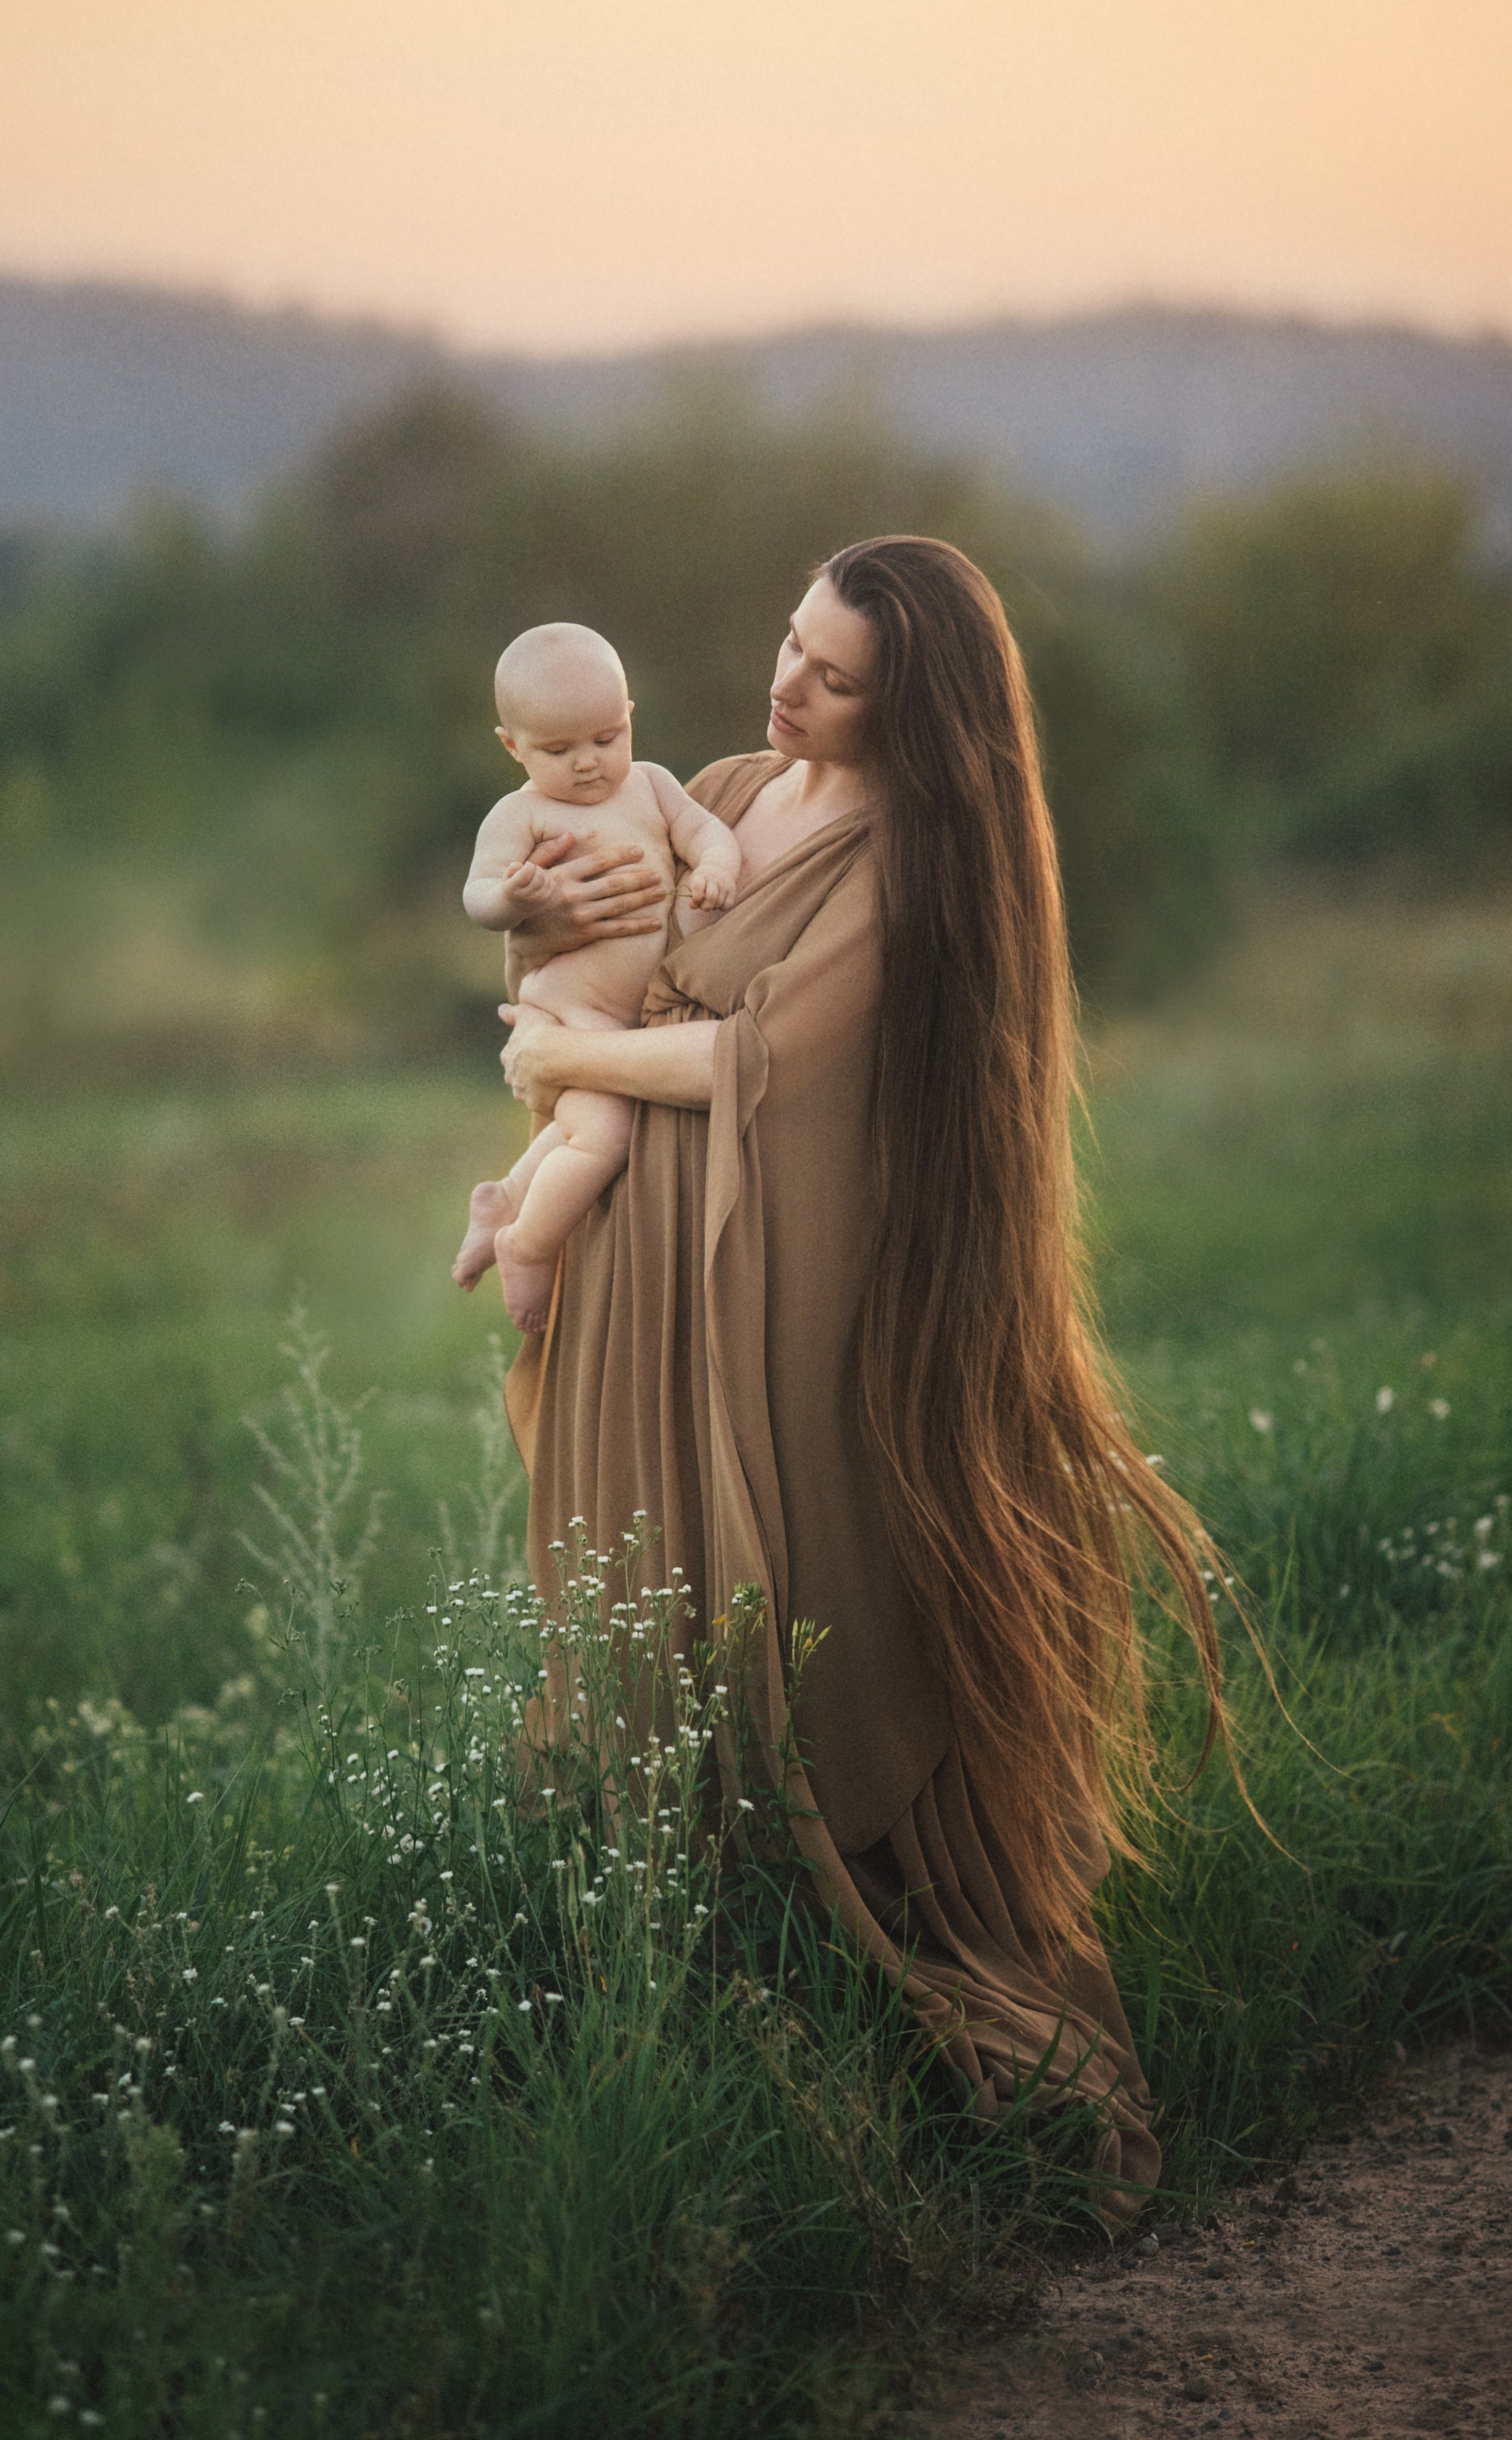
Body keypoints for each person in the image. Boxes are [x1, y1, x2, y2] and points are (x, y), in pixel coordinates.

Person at [497, 538, 1225, 2205]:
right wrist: (538, 927)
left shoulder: (903, 864)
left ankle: (826, 1965)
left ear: (912, 704)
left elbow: (750, 1059)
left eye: (831, 674)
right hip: (635, 1273)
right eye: (787, 643)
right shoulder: (733, 785)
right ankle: (652, 1964)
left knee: (790, 1602)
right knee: (634, 1595)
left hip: (763, 1280)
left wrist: (559, 1054)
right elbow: (589, 953)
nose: (785, 684)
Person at [452, 623, 742, 1335]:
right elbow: (477, 895)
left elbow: (708, 832)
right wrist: (513, 899)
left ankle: (504, 1198)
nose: (588, 763)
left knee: (583, 1128)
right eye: (558, 750)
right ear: (513, 747)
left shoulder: (652, 786)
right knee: (604, 1137)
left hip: (625, 1021)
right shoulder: (520, 813)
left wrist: (713, 869)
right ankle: (528, 1244)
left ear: (628, 718)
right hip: (565, 1010)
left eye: (606, 738)